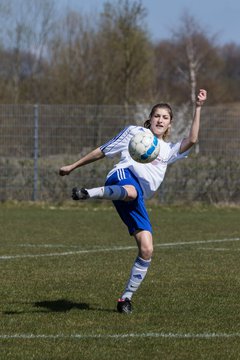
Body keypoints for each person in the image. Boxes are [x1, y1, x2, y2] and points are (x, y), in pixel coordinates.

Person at [59, 89, 207, 314]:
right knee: (131, 191)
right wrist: (73, 166)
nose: (160, 119)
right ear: (149, 120)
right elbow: (102, 151)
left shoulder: (167, 150)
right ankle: (89, 193)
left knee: (147, 249)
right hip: (120, 178)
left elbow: (193, 139)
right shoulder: (133, 133)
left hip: (135, 198)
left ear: (169, 125)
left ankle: (125, 299)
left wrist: (198, 107)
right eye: (157, 115)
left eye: (165, 117)